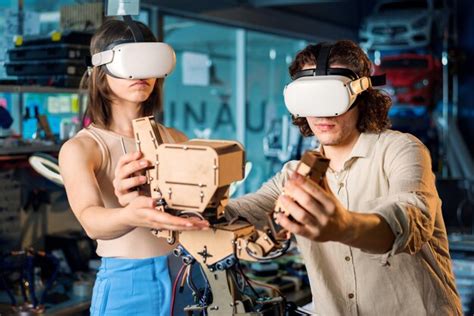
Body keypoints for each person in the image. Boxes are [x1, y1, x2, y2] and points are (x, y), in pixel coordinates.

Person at [112, 40, 462, 315]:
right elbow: (240, 210)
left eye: (334, 97)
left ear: (361, 95)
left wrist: (344, 226)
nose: (322, 112)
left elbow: (409, 218)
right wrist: (169, 202)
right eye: (310, 98)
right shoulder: (294, 175)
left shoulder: (400, 150)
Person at [58, 19, 208, 316]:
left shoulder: (176, 139)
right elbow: (90, 220)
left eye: (149, 61)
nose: (141, 74)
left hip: (187, 272)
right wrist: (131, 214)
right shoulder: (82, 148)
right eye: (131, 62)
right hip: (127, 282)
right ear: (101, 71)